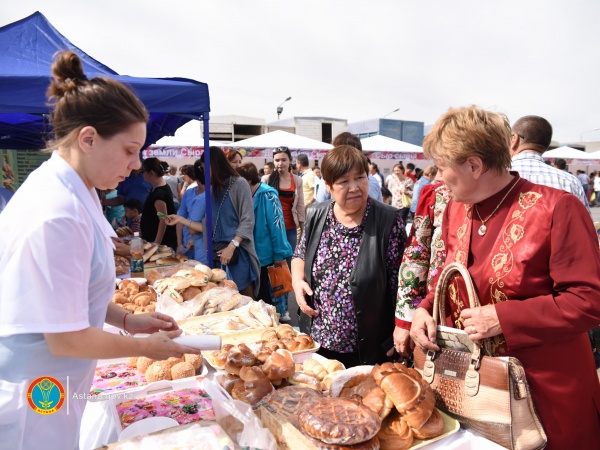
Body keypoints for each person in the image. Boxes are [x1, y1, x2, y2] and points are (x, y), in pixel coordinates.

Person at [0, 51, 198, 450]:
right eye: (129, 150)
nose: (136, 163)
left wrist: (126, 318)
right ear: (88, 139)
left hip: (52, 381)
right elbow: (66, 337)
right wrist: (144, 348)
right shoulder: (56, 212)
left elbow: (65, 291)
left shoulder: (75, 190)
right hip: (36, 391)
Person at [409, 105, 600, 450]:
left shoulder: (556, 208)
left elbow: (588, 300)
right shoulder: (457, 207)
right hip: (477, 391)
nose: (436, 177)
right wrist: (424, 308)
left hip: (545, 393)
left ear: (474, 165)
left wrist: (504, 317)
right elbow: (449, 270)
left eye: (441, 167)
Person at [292, 145, 407, 368]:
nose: (354, 187)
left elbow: (401, 286)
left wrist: (398, 331)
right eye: (344, 181)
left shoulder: (388, 221)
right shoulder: (317, 214)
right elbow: (300, 254)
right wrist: (297, 281)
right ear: (328, 186)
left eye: (360, 178)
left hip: (369, 346)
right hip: (318, 342)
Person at [510, 115, 592, 216]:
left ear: (514, 139)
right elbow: (585, 227)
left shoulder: (497, 174)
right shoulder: (571, 182)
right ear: (546, 145)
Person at [206, 147, 260, 298]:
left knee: (245, 297)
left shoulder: (239, 183)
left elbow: (248, 220)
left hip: (238, 251)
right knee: (224, 299)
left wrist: (232, 246)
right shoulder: (211, 188)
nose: (204, 172)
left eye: (205, 168)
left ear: (214, 165)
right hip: (217, 252)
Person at [237, 162, 293, 305]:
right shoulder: (249, 195)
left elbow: (277, 226)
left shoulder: (268, 194)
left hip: (268, 256)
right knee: (260, 296)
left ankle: (276, 321)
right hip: (253, 254)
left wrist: (279, 254)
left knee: (270, 297)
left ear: (247, 180)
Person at [266, 146, 305, 320]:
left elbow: (300, 205)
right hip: (270, 231)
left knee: (286, 270)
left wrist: (303, 230)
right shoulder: (266, 179)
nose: (280, 163)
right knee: (273, 267)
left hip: (290, 229)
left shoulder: (296, 180)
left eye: (283, 159)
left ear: (290, 161)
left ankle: (284, 308)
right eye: (277, 160)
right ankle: (276, 306)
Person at [166, 161, 209, 265]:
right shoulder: (189, 193)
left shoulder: (212, 195)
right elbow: (180, 217)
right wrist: (180, 243)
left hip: (204, 245)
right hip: (187, 244)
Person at [140, 158, 178, 249]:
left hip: (161, 242)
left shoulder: (159, 194)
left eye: (142, 171)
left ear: (151, 173)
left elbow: (163, 220)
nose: (142, 174)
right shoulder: (157, 188)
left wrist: (156, 243)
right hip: (154, 238)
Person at [174, 161, 199, 259]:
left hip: (195, 241)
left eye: (183, 174)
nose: (181, 176)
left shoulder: (191, 190)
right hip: (188, 240)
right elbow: (180, 217)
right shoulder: (190, 191)